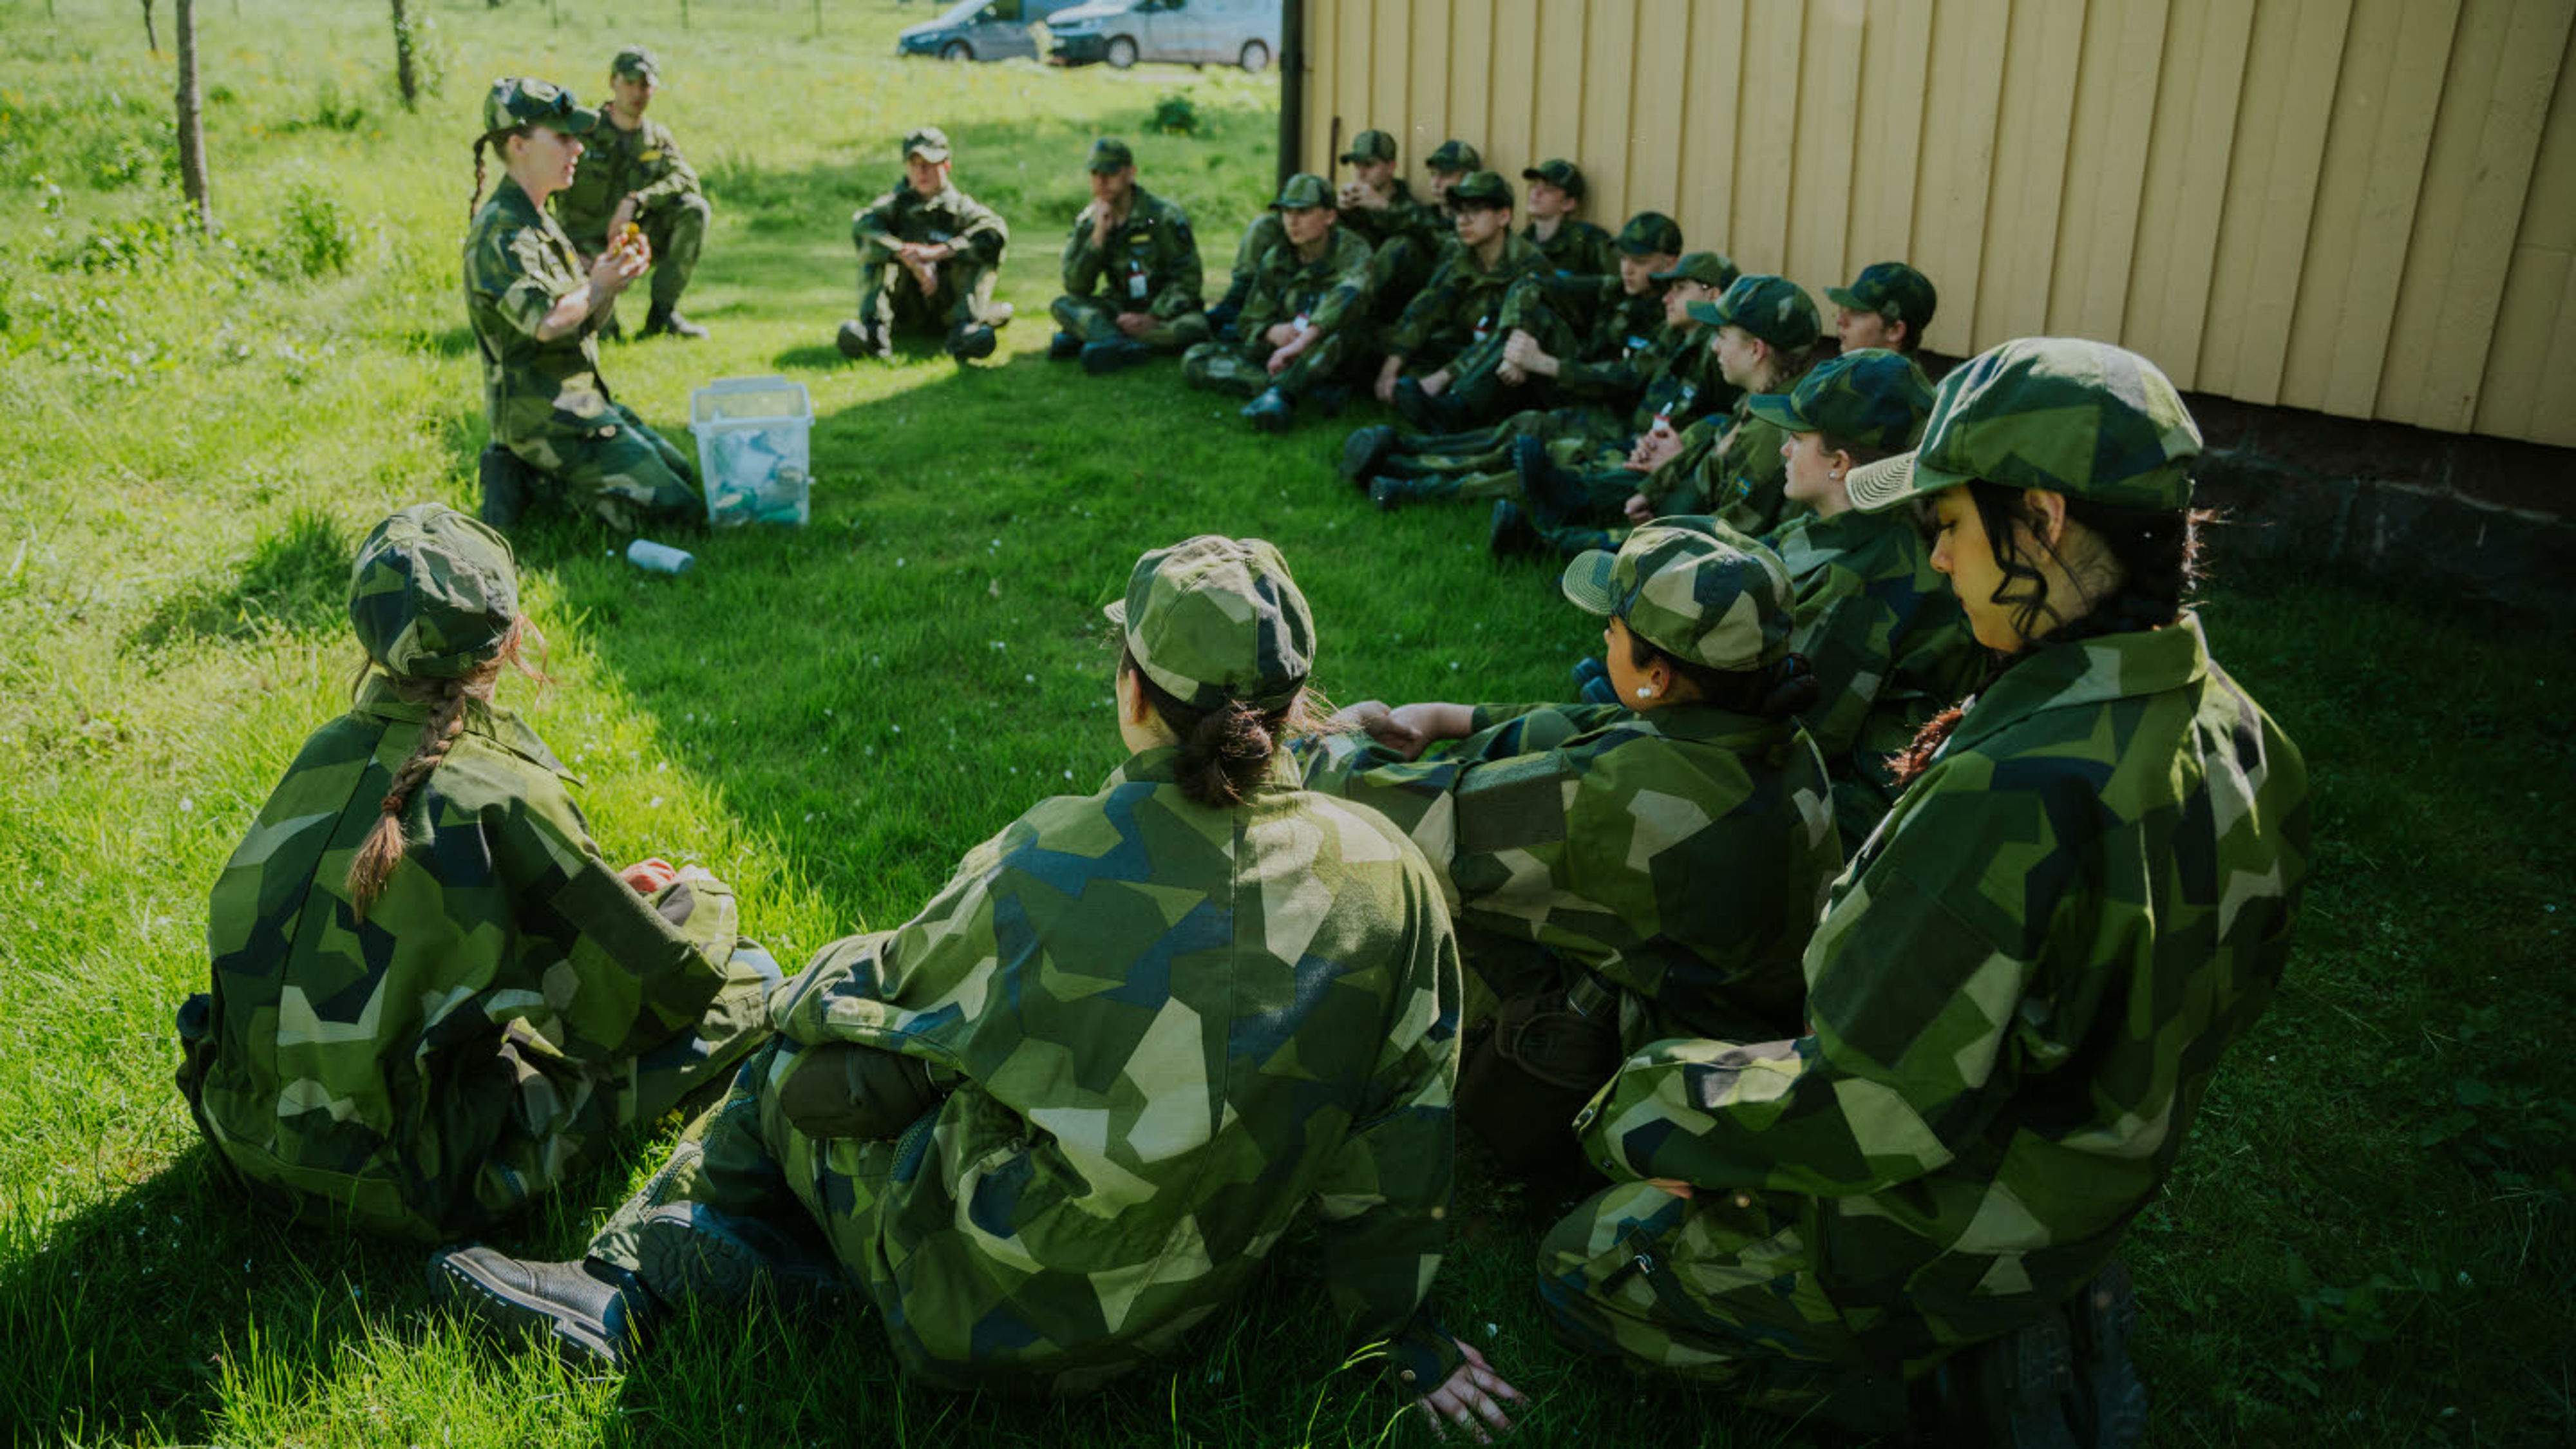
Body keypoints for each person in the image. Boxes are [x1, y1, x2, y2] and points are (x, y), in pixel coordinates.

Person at [428, 536, 1526, 1437]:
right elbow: (1406, 1116)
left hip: (989, 1310)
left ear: (1133, 689)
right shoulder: (1392, 869)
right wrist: (1399, 1332)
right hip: (1188, 1299)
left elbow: (848, 1009)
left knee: (792, 1073)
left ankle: (616, 1282)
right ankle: (787, 1268)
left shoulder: (1052, 859)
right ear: (1296, 707)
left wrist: (818, 969)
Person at [1540, 338, 2311, 1446]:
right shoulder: (2246, 731)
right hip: (2083, 1169)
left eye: (1948, 526)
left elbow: (1878, 1111)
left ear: (2041, 518)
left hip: (1951, 1210)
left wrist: (1647, 1108)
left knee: (1583, 1259)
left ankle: (1944, 1384)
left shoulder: (2017, 792)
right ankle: (2041, 1300)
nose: (1940, 562)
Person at [173, 504, 777, 1244]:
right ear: (513, 635)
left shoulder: (325, 750)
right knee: (750, 977)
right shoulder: (506, 789)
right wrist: (699, 894)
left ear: (368, 637)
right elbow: (649, 1001)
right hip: (403, 1185)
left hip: (239, 1139)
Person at [1301, 520, 1838, 1180]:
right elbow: (1607, 728)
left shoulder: (1618, 799)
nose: (1603, 636)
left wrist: (1327, 739)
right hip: (1747, 1040)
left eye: (1613, 628)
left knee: (1408, 893)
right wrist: (1453, 719)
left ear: (1658, 675)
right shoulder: (1770, 732)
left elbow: (1411, 818)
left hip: (1665, 1092)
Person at [1750, 348, 1980, 851]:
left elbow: (1790, 728)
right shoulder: (1848, 529)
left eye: (1796, 438)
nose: (1785, 451)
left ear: (1840, 463)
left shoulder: (1868, 576)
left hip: (1856, 806)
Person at [459, 77, 703, 533]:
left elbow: (583, 319)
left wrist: (613, 281)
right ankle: (538, 484)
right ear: (519, 145)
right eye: (564, 137)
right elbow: (548, 323)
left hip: (579, 402)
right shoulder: (503, 232)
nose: (578, 148)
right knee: (678, 514)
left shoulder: (540, 221)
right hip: (543, 420)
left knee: (683, 476)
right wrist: (596, 283)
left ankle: (552, 483)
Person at [1516, 273, 1820, 558]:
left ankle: (1556, 543)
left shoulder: (1771, 428)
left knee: (1662, 535)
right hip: (1707, 521)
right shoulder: (1762, 395)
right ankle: (1572, 504)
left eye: (1722, 336)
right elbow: (1711, 463)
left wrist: (1659, 533)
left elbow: (1731, 533)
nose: (1714, 348)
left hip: (1723, 556)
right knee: (1700, 438)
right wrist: (1653, 490)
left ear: (1756, 350)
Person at [1181, 173, 1376, 433]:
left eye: (1303, 212)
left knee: (1336, 336)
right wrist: (1272, 332)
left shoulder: (1352, 251)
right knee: (1196, 358)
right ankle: (1294, 389)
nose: (1292, 221)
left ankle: (1283, 393)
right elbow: (1249, 319)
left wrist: (1302, 341)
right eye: (1286, 211)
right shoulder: (1278, 257)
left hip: (1331, 349)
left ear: (1329, 216)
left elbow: (1350, 295)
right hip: (1286, 353)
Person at [553, 45, 713, 340]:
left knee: (694, 209)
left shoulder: (655, 138)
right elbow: (543, 191)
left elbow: (685, 177)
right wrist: (565, 250)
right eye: (630, 83)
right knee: (602, 335)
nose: (638, 92)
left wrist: (637, 200)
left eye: (646, 85)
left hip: (634, 238)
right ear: (613, 82)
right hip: (584, 242)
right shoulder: (584, 132)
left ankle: (662, 314)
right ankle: (596, 316)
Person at [1374, 171, 1547, 430]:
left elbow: (1510, 337)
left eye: (1476, 211)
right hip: (1468, 350)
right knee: (1400, 353)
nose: (1463, 220)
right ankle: (1432, 398)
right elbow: (1426, 310)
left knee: (1501, 348)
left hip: (1510, 366)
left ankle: (1449, 410)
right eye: (1459, 211)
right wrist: (1389, 370)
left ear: (1504, 216)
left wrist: (1441, 377)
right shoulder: (1459, 254)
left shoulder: (1528, 264)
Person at [839, 126, 1011, 364]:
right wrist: (906, 257)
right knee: (877, 252)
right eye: (914, 163)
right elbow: (863, 228)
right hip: (905, 307)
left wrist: (939, 253)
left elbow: (995, 232)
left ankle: (965, 332)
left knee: (980, 252)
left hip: (948, 306)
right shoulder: (895, 206)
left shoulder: (961, 208)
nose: (922, 171)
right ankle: (873, 333)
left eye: (930, 163)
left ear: (947, 165)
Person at [1046, 137, 1207, 374]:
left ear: (1130, 173)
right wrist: (1098, 236)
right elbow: (1076, 285)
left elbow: (1188, 279)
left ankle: (1093, 336)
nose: (1102, 181)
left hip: (1163, 310)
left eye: (1110, 172)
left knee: (1193, 328)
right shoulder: (1090, 220)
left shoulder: (1161, 216)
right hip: (1119, 309)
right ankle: (1119, 343)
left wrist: (1153, 317)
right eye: (1095, 173)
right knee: (1062, 305)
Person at [1519, 159, 1616, 278]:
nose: (1537, 193)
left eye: (1549, 189)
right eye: (1535, 185)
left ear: (1568, 203)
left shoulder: (1589, 242)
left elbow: (1613, 286)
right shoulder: (1521, 244)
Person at [1826, 260, 1937, 355]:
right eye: (1848, 309)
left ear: (1895, 331)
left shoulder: (1892, 379)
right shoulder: (1863, 373)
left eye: (1858, 312)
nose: (1840, 320)